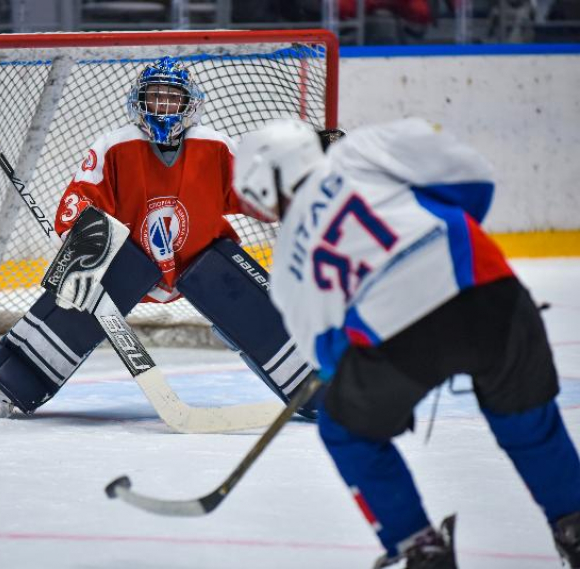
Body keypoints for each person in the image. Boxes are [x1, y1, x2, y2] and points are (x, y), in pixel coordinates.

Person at [232, 117, 580, 568]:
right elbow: (474, 178)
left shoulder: (288, 271)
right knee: (529, 424)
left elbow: (328, 354)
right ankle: (573, 524)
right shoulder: (361, 150)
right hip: (490, 294)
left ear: (261, 184)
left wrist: (365, 370)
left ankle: (420, 546)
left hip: (402, 341)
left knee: (345, 430)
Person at [0, 57, 320, 420]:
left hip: (201, 259)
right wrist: (79, 239)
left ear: (189, 103)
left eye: (171, 98)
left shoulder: (215, 145)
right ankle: (17, 379)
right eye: (155, 97)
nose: (163, 106)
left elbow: (261, 192)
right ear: (139, 101)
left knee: (256, 309)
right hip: (127, 262)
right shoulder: (115, 145)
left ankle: (316, 387)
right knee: (78, 294)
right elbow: (79, 199)